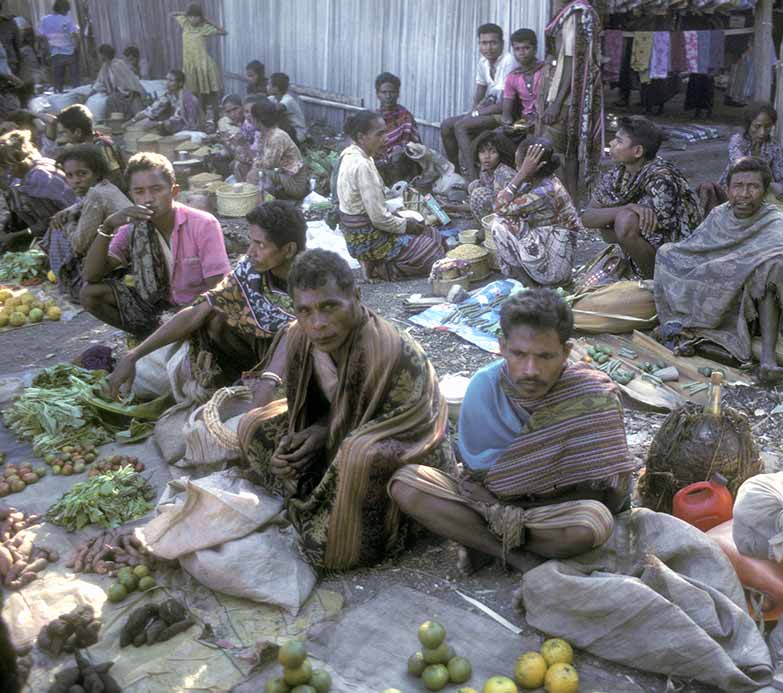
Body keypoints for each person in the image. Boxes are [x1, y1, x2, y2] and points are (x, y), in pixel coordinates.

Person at [390, 288, 636, 574]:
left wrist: (506, 508)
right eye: (519, 354)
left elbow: (607, 493)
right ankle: (518, 557)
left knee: (593, 522)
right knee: (406, 484)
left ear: (566, 352)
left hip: (550, 514)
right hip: (487, 508)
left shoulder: (593, 396)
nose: (530, 370)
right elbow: (476, 477)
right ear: (502, 346)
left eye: (545, 356)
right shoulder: (484, 387)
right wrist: (495, 507)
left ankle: (484, 544)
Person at [236, 248, 450, 569]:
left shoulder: (385, 349)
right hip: (341, 432)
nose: (318, 324)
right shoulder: (300, 337)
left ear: (356, 298)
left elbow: (384, 427)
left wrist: (324, 437)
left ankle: (361, 531)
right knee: (253, 425)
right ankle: (310, 488)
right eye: (305, 311)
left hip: (407, 448)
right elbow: (307, 410)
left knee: (357, 455)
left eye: (329, 307)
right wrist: (293, 450)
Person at [106, 201, 303, 398]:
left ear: (289, 250)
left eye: (260, 244)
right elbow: (198, 311)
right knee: (215, 318)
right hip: (245, 360)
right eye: (251, 241)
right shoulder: (251, 271)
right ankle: (224, 385)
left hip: (288, 373)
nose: (251, 251)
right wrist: (134, 355)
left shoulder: (311, 284)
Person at [654, 157, 783, 383]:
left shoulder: (774, 220)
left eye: (753, 187)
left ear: (765, 192)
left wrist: (731, 267)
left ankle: (768, 358)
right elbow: (696, 247)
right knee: (667, 252)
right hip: (719, 275)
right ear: (727, 189)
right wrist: (715, 267)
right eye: (738, 186)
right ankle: (683, 326)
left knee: (773, 265)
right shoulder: (719, 213)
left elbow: (778, 255)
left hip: (752, 295)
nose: (744, 194)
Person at [79, 152, 231, 339]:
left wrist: (181, 316)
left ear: (174, 191)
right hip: (156, 309)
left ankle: (176, 338)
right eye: (139, 192)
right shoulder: (132, 228)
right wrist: (108, 226)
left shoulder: (203, 224)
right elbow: (91, 275)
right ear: (131, 195)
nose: (148, 199)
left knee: (218, 319)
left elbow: (217, 289)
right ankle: (150, 338)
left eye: (156, 189)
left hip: (194, 310)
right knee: (90, 294)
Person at [582, 115, 703, 278]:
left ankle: (655, 281)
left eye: (619, 141)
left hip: (673, 261)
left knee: (625, 220)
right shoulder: (618, 174)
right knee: (623, 217)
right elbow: (587, 217)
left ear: (638, 151)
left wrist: (610, 221)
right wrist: (627, 207)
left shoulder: (662, 180)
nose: (611, 143)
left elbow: (641, 232)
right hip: (639, 254)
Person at [336, 110, 445, 280]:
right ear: (361, 137)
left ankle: (375, 260)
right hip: (367, 237)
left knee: (433, 234)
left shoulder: (352, 154)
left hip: (356, 233)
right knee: (433, 252)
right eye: (379, 134)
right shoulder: (362, 165)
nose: (386, 139)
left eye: (385, 133)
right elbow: (379, 218)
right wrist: (406, 225)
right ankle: (382, 268)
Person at [487, 137, 581, 287]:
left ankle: (530, 286)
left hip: (554, 272)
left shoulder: (546, 191)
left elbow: (498, 208)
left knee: (500, 224)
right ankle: (529, 281)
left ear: (534, 167)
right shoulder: (541, 182)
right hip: (550, 255)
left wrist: (521, 174)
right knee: (508, 220)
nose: (517, 167)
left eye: (520, 164)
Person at [538, 0, 604, 196]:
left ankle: (564, 200)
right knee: (570, 152)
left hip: (569, 96)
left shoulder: (576, 15)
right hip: (577, 92)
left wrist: (557, 104)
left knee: (552, 150)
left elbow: (572, 61)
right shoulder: (584, 12)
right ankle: (571, 201)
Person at [48, 145, 131, 298]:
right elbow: (82, 204)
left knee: (59, 229)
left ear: (97, 173)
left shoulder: (96, 194)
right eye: (70, 175)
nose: (76, 181)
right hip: (123, 259)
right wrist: (69, 211)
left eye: (82, 174)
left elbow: (79, 245)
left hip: (120, 267)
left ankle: (69, 284)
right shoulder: (107, 187)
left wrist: (68, 222)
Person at [440, 23, 517, 179]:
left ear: (502, 43)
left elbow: (504, 104)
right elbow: (479, 93)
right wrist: (474, 111)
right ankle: (456, 174)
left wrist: (476, 114)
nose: (488, 48)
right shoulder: (483, 62)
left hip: (508, 113)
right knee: (446, 125)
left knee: (461, 126)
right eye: (484, 43)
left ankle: (472, 177)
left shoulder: (509, 61)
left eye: (493, 43)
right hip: (490, 110)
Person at [0, 128, 75, 252]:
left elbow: (60, 215)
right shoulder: (22, 176)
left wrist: (16, 236)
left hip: (69, 233)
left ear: (13, 163)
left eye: (3, 167)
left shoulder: (41, 177)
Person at [717, 102, 783, 202]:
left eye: (767, 127)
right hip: (736, 189)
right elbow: (742, 170)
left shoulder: (773, 146)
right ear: (748, 125)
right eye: (757, 126)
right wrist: (770, 185)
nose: (762, 132)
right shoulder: (737, 142)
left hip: (761, 191)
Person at [50, 103, 126, 190]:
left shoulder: (101, 146)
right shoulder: (84, 147)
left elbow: (116, 179)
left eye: (64, 132)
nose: (62, 137)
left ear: (77, 132)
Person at [171, 3, 225, 124]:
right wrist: (186, 13)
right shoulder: (185, 23)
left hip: (204, 66)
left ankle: (216, 120)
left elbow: (222, 31)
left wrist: (207, 19)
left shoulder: (204, 28)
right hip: (190, 67)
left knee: (211, 94)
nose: (193, 19)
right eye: (191, 16)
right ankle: (197, 121)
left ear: (200, 17)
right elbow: (172, 14)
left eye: (196, 16)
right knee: (194, 95)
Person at [246, 98, 309, 201]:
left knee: (255, 174)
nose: (249, 120)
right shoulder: (264, 134)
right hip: (283, 175)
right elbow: (260, 159)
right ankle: (253, 200)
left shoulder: (277, 136)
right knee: (245, 167)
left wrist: (245, 148)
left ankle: (258, 203)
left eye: (251, 117)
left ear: (257, 120)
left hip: (295, 183)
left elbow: (268, 164)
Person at [373, 71, 421, 183]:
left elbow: (416, 145)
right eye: (384, 92)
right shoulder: (373, 119)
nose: (388, 96)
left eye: (392, 92)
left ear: (398, 94)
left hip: (401, 161)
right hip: (378, 158)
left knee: (398, 156)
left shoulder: (405, 116)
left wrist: (401, 149)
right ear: (377, 94)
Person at [127, 69, 201, 134]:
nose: (167, 83)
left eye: (171, 80)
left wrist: (157, 123)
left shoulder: (187, 98)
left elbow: (178, 120)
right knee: (145, 121)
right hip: (177, 125)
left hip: (191, 129)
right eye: (167, 80)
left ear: (180, 83)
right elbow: (152, 109)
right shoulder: (169, 94)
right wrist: (131, 121)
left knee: (164, 125)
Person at [500, 29, 545, 134]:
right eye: (517, 49)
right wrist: (508, 125)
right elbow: (506, 114)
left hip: (546, 120)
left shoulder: (546, 71)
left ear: (535, 49)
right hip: (526, 122)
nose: (521, 53)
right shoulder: (512, 77)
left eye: (526, 48)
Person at [467, 130, 516, 219]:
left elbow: (510, 204)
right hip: (496, 208)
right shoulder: (485, 169)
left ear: (501, 154)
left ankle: (490, 225)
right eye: (482, 152)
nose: (486, 157)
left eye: (493, 152)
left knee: (479, 193)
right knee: (474, 185)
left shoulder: (504, 173)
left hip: (510, 213)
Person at [90, 43, 145, 119]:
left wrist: (120, 91)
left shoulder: (118, 64)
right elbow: (99, 82)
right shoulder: (105, 67)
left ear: (104, 55)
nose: (98, 57)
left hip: (128, 92)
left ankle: (121, 119)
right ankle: (115, 120)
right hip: (117, 93)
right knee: (111, 99)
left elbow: (128, 81)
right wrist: (90, 94)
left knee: (112, 99)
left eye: (99, 54)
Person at [38, 0, 79, 92]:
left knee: (58, 80)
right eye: (67, 10)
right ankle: (77, 94)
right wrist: (76, 48)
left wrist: (46, 51)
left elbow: (42, 37)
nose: (67, 12)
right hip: (69, 52)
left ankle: (58, 94)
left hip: (55, 53)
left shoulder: (45, 20)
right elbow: (75, 35)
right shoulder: (67, 19)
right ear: (63, 9)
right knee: (75, 79)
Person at [216, 93, 258, 180]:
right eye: (228, 112)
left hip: (257, 162)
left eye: (235, 109)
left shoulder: (249, 124)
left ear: (242, 107)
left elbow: (250, 156)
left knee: (236, 165)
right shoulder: (240, 125)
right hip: (251, 159)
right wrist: (225, 142)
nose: (233, 114)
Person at [268, 72, 306, 142]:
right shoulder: (272, 98)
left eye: (269, 84)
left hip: (297, 133)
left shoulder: (288, 99)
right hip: (288, 131)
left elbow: (277, 108)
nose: (267, 87)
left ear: (276, 88)